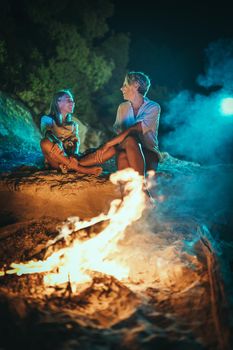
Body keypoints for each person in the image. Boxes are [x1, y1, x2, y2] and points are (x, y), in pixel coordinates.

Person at [79, 71, 161, 178]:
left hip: (147, 153)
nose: (121, 89)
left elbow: (134, 129)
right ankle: (76, 164)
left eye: (125, 85)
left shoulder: (153, 107)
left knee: (129, 139)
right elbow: (118, 137)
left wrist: (107, 144)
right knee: (120, 151)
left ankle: (141, 185)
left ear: (136, 85)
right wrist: (102, 148)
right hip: (124, 150)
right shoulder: (123, 107)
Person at [40, 89, 102, 175]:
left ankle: (72, 166)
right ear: (58, 102)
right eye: (69, 100)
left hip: (71, 158)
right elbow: (47, 133)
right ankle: (79, 168)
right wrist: (58, 142)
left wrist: (75, 154)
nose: (72, 103)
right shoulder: (47, 119)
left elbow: (76, 141)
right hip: (57, 159)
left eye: (73, 101)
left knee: (100, 151)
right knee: (44, 143)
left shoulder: (73, 124)